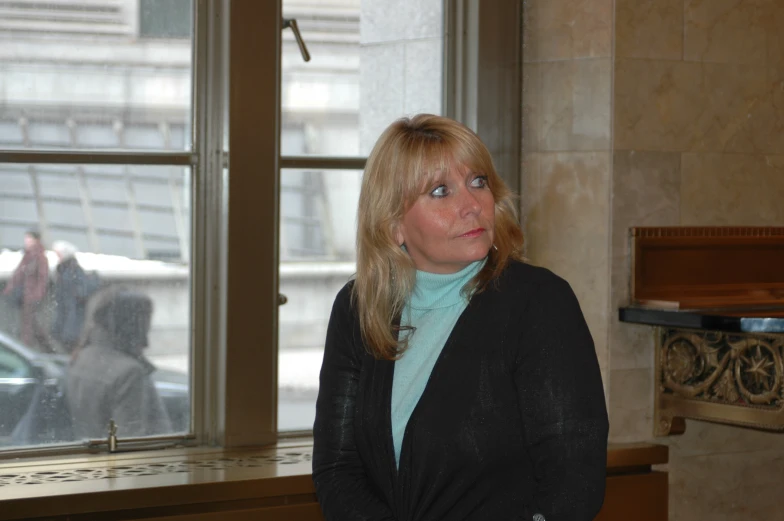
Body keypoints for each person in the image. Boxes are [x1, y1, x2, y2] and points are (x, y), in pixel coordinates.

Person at [312, 114, 609, 521]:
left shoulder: (538, 302)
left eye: (478, 182)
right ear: (394, 224)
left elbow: (574, 482)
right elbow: (337, 469)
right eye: (440, 191)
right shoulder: (359, 307)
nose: (472, 206)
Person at [66, 286, 171, 440]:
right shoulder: (128, 373)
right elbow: (128, 440)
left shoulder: (81, 357)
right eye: (144, 323)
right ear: (132, 325)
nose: (147, 331)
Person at [2, 230, 52, 352]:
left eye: (29, 239)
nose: (26, 242)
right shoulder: (28, 256)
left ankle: (29, 349)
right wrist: (10, 288)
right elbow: (18, 274)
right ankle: (36, 348)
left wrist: (37, 294)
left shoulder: (39, 257)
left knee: (30, 325)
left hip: (32, 297)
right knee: (30, 324)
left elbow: (42, 278)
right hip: (26, 296)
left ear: (36, 240)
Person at [50, 240, 96, 353]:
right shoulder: (64, 269)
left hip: (72, 313)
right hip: (67, 312)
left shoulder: (72, 269)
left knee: (70, 342)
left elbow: (82, 291)